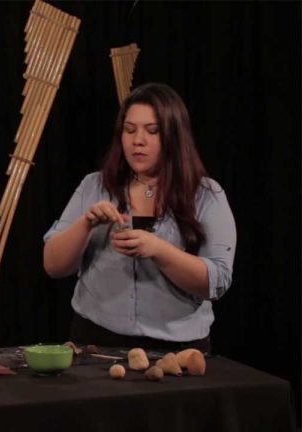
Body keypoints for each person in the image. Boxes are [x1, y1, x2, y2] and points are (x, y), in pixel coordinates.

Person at [42, 83, 236, 352]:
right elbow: (53, 265)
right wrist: (86, 224)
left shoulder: (205, 194)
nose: (138, 141)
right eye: (129, 129)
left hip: (178, 349)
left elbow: (217, 281)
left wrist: (158, 250)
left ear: (174, 135)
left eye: (152, 131)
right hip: (96, 343)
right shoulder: (94, 186)